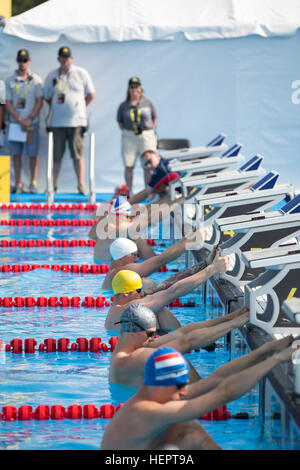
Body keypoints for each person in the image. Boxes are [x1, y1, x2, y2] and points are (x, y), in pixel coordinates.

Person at [101, 336, 296, 450]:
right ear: (160, 384)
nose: (184, 391)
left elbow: (215, 380)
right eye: (180, 386)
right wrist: (276, 360)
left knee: (187, 430)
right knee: (188, 431)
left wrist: (267, 349)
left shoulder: (158, 395)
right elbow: (223, 394)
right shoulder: (146, 411)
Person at [109, 303, 250, 386]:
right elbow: (187, 342)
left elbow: (183, 332)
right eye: (150, 334)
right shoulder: (127, 360)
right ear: (133, 333)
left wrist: (232, 316)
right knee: (175, 357)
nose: (153, 338)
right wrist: (234, 324)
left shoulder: (137, 346)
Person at [106, 250, 229, 331]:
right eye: (138, 290)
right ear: (126, 293)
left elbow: (166, 285)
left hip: (154, 344)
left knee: (158, 308)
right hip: (156, 353)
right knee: (160, 309)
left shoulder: (117, 309)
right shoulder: (132, 308)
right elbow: (173, 292)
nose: (142, 293)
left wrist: (205, 264)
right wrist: (212, 269)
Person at [44, 46, 95, 194]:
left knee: (77, 154)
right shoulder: (52, 75)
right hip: (57, 122)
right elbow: (47, 97)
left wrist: (78, 107)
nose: (65, 60)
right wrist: (60, 107)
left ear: (71, 59)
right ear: (58, 59)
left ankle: (81, 184)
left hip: (76, 122)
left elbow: (91, 94)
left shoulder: (81, 73)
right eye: (62, 57)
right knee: (56, 155)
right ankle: (52, 185)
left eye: (67, 57)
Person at [102, 231, 208, 291]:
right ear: (122, 256)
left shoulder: (113, 272)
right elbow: (159, 261)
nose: (136, 259)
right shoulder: (121, 271)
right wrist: (189, 242)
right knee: (145, 283)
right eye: (133, 255)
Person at [5, 49, 44, 193]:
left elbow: (39, 101)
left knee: (33, 154)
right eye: (20, 60)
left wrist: (29, 119)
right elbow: (7, 103)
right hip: (16, 123)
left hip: (31, 124)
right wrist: (19, 119)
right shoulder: (10, 81)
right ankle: (18, 182)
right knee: (16, 154)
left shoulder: (36, 80)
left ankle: (33, 182)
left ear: (29, 61)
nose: (22, 63)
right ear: (17, 61)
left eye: (25, 60)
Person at [117, 77, 158, 193]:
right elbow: (120, 122)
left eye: (136, 87)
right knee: (129, 165)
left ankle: (149, 191)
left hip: (146, 135)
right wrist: (129, 131)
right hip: (129, 137)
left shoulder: (148, 103)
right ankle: (129, 192)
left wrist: (148, 131)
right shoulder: (123, 106)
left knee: (148, 165)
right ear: (128, 89)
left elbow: (154, 118)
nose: (134, 89)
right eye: (132, 87)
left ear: (141, 89)